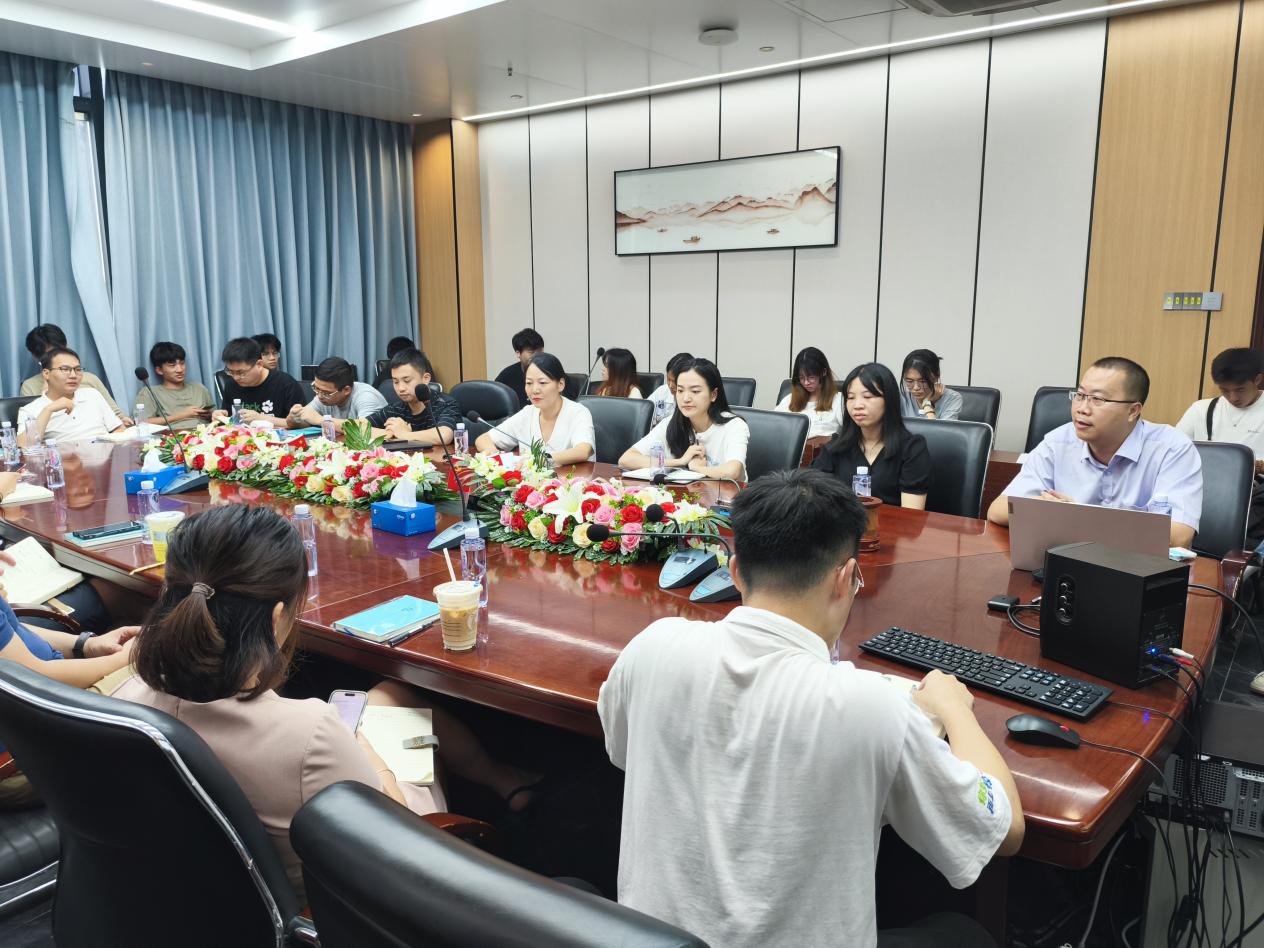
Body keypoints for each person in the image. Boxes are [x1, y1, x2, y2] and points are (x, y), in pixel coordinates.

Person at [598, 469, 1023, 948]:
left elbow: (620, 750)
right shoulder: (871, 706)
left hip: (650, 939)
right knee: (965, 934)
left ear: (734, 571)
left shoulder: (653, 645)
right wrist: (953, 706)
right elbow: (1005, 830)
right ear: (844, 578)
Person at [109, 505, 538, 895]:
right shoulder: (310, 733)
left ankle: (503, 778)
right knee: (405, 720)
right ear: (277, 616)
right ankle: (510, 788)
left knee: (389, 694)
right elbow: (398, 839)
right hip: (342, 893)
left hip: (192, 891)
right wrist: (367, 752)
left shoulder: (130, 697)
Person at [987, 356, 1202, 548]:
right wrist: (1041, 508)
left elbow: (1178, 536)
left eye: (1098, 399)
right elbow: (997, 511)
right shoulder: (1057, 442)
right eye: (1080, 395)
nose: (1082, 408)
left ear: (1133, 411)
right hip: (1067, 562)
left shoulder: (1172, 449)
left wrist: (1075, 518)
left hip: (1140, 569)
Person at [812, 363, 931, 509]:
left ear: (889, 400)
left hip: (892, 523)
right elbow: (812, 498)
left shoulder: (912, 449)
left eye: (867, 396)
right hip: (843, 523)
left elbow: (911, 515)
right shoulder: (836, 448)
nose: (857, 405)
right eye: (851, 397)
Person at [1176, 347, 1264, 542]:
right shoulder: (1202, 409)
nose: (1233, 398)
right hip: (1203, 492)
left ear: (1257, 380)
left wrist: (1254, 466)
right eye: (1225, 390)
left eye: (1240, 389)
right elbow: (1173, 452)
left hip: (1254, 500)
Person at [619, 358, 749, 481]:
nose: (685, 398)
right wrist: (680, 462)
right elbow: (626, 459)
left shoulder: (734, 425)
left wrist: (697, 468)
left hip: (727, 496)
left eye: (695, 391)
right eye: (680, 390)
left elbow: (733, 471)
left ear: (713, 394)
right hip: (684, 495)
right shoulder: (671, 423)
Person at [475, 353, 595, 464]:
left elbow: (583, 450)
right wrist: (493, 452)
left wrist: (543, 459)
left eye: (542, 383)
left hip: (572, 479)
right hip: (531, 480)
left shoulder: (578, 412)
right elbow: (483, 439)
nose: (534, 390)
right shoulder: (527, 413)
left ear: (560, 384)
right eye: (529, 383)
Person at [17, 348, 125, 446]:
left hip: (103, 456)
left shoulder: (92, 394)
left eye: (77, 369)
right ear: (46, 374)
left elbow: (118, 429)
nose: (73, 375)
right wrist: (49, 409)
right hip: (65, 460)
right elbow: (24, 446)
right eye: (65, 369)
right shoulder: (30, 410)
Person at [21, 324, 127, 420]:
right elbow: (33, 424)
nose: (53, 357)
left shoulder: (90, 379)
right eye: (47, 355)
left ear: (66, 348)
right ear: (35, 357)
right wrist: (48, 386)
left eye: (57, 352)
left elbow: (116, 414)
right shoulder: (29, 386)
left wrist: (123, 420)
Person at [365, 349, 462, 445]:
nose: (401, 388)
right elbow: (358, 426)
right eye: (396, 382)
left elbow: (444, 436)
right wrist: (390, 433)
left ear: (425, 378)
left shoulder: (446, 403)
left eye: (407, 380)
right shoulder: (395, 409)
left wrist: (404, 434)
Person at [212, 337, 306, 428]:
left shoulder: (285, 383)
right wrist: (220, 417)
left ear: (259, 365)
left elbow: (304, 423)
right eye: (231, 372)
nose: (236, 378)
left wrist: (261, 418)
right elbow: (230, 421)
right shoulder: (231, 384)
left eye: (241, 372)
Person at [287, 357, 388, 432]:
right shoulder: (323, 395)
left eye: (326, 393)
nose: (319, 396)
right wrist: (294, 419)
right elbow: (307, 422)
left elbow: (366, 430)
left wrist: (321, 420)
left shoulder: (366, 397)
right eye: (316, 388)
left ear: (346, 390)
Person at [136, 341, 215, 432]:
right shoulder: (149, 392)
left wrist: (211, 414)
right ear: (159, 370)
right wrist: (183, 415)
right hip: (174, 435)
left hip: (208, 433)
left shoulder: (199, 388)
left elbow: (213, 414)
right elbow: (142, 423)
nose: (180, 370)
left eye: (182, 363)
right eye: (172, 365)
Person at [776, 346, 844, 438]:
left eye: (811, 377)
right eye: (801, 378)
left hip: (824, 446)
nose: (806, 383)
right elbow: (773, 424)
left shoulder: (838, 400)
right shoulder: (789, 399)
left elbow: (850, 434)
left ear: (823, 372)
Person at [900, 349, 962, 421]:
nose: (916, 387)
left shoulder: (952, 398)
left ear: (937, 376)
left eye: (923, 381)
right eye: (909, 381)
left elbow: (939, 429)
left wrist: (927, 404)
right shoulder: (901, 398)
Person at [494, 328, 544, 408]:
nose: (537, 356)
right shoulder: (506, 376)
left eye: (539, 351)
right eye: (531, 352)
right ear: (518, 353)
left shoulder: (553, 371)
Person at [645, 351, 693, 424]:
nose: (670, 385)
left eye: (674, 381)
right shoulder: (662, 391)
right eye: (668, 379)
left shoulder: (692, 399)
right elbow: (644, 412)